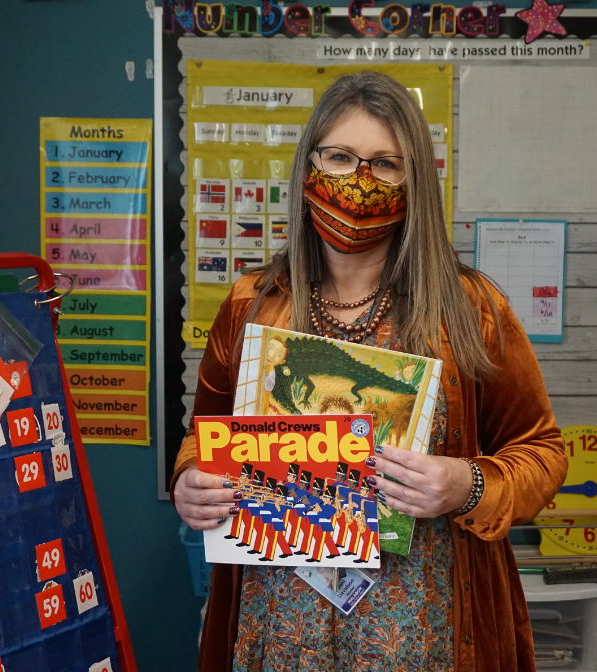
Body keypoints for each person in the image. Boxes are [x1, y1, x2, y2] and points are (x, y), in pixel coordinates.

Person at [172, 71, 567, 671]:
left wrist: (468, 485)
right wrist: (191, 482)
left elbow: (542, 453)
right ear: (309, 167)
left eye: (386, 165)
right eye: (339, 157)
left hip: (421, 641)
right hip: (280, 635)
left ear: (416, 184)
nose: (359, 182)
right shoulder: (254, 302)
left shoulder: (470, 309)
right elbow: (204, 438)